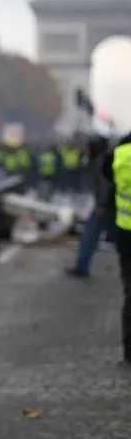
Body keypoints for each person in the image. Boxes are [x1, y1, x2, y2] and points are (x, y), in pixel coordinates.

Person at [65, 135, 113, 278]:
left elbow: (105, 185)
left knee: (90, 234)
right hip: (113, 204)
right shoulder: (105, 159)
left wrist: (101, 204)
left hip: (106, 206)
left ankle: (82, 267)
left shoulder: (102, 162)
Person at [103, 130, 131, 364]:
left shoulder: (120, 153)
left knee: (130, 292)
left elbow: (106, 172)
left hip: (126, 231)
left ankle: (129, 348)